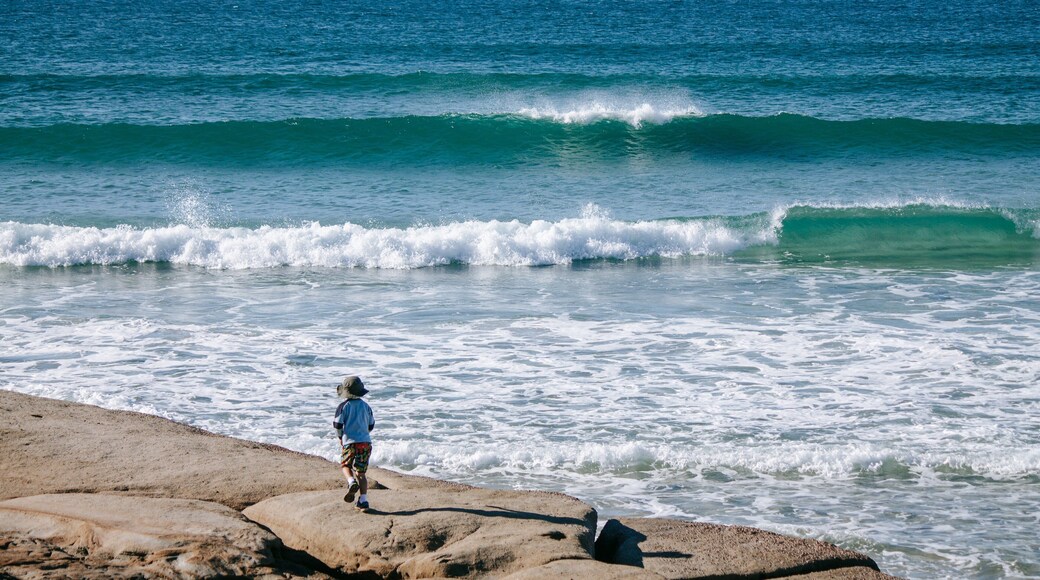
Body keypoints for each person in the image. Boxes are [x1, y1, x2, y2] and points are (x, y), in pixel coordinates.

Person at [333, 375, 375, 511]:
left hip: (349, 442)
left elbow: (337, 424)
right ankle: (363, 500)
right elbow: (371, 425)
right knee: (361, 473)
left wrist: (340, 437)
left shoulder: (343, 406)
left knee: (345, 465)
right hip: (365, 443)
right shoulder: (366, 406)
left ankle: (351, 482)